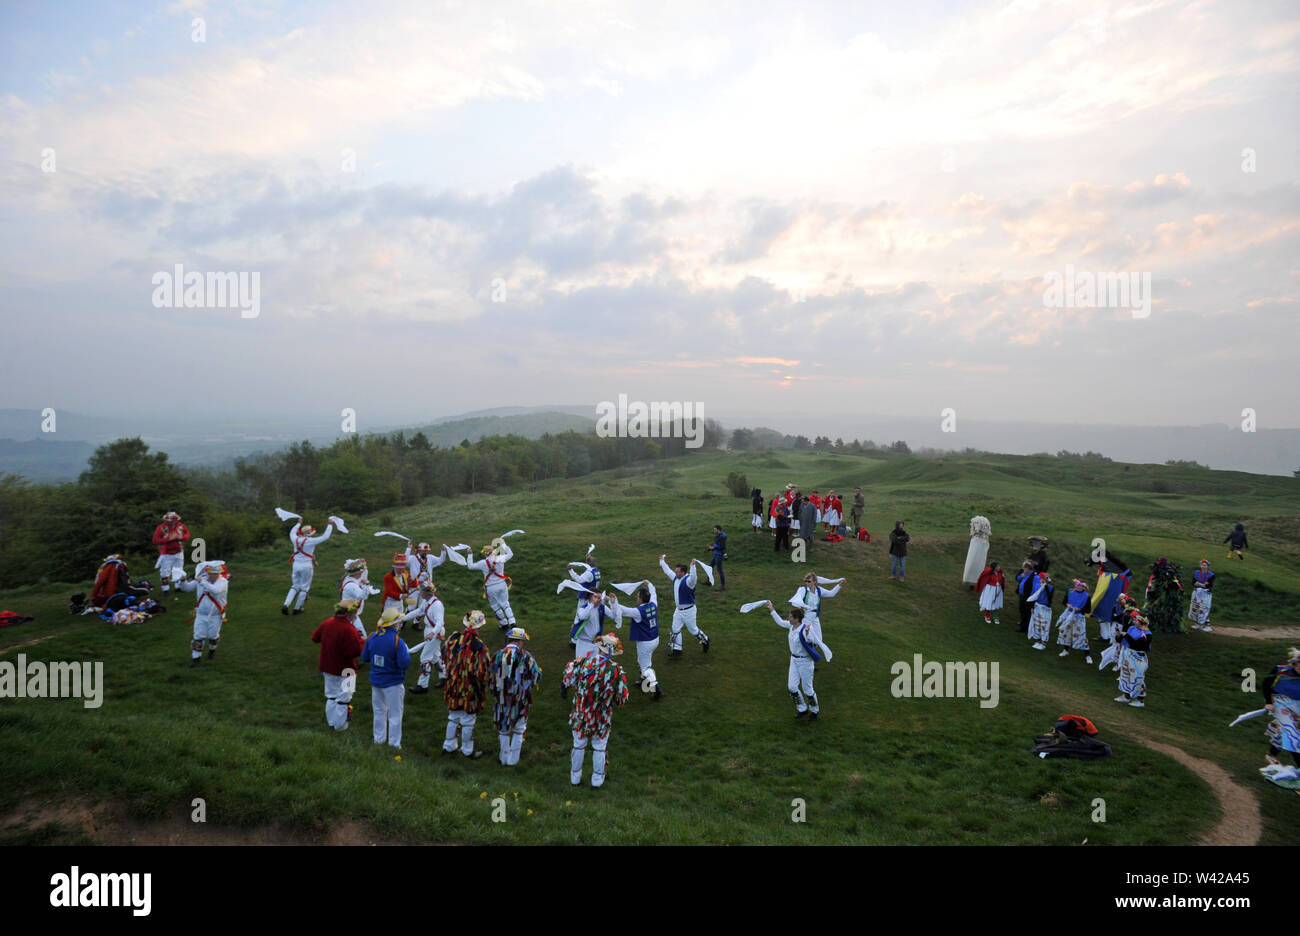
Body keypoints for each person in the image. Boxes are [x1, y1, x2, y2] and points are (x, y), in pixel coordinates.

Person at [562, 633, 629, 788]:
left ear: (599, 648)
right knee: (599, 746)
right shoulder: (616, 670)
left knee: (578, 744)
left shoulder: (582, 663)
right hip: (602, 715)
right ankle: (597, 781)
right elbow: (622, 698)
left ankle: (575, 778)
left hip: (581, 713)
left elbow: (568, 680)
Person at [764, 602, 832, 720]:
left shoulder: (805, 629)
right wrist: (772, 609)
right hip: (794, 660)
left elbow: (812, 641)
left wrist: (807, 633)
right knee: (792, 687)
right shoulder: (791, 626)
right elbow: (780, 622)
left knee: (807, 689)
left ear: (796, 619)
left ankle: (814, 711)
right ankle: (802, 709)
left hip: (805, 662)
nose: (788, 618)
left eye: (790, 617)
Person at [441, 610, 491, 759]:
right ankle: (467, 751)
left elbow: (444, 654)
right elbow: (483, 668)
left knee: (453, 715)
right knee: (468, 718)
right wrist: (483, 683)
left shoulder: (453, 638)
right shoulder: (479, 646)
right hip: (470, 686)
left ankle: (449, 746)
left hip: (453, 683)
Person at [491, 626, 542, 767]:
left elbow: (491, 676)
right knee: (519, 728)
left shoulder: (497, 655)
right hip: (520, 699)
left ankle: (503, 759)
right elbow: (537, 674)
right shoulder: (525, 656)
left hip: (501, 699)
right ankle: (513, 761)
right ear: (519, 641)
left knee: (503, 728)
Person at [361, 609, 411, 750]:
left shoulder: (372, 637)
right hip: (393, 683)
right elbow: (404, 663)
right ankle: (394, 744)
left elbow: (365, 657)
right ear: (395, 624)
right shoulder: (397, 641)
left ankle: (379, 739)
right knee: (395, 714)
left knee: (379, 711)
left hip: (376, 681)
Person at [311, 600, 365, 731]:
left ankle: (331, 723)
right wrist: (364, 642)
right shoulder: (349, 629)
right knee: (345, 697)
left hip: (327, 666)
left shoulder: (327, 623)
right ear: (350, 613)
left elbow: (315, 638)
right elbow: (355, 651)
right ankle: (340, 727)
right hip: (347, 670)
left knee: (331, 695)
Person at [605, 580, 662, 699]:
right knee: (644, 661)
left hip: (645, 642)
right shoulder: (653, 604)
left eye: (637, 596)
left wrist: (613, 602)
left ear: (641, 599)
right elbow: (654, 593)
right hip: (655, 639)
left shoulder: (638, 612)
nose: (636, 598)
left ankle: (656, 689)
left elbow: (624, 610)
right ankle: (643, 681)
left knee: (645, 666)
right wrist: (650, 584)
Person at [175, 560, 228, 667]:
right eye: (212, 573)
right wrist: (183, 581)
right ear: (207, 573)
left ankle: (212, 650)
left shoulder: (223, 582)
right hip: (201, 614)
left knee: (213, 635)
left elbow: (215, 591)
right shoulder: (202, 580)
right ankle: (196, 658)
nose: (214, 575)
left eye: (216, 573)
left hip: (216, 615)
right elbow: (187, 588)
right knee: (198, 635)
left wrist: (202, 582)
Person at [659, 554, 711, 656]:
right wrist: (662, 562)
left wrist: (693, 566)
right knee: (675, 628)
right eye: (676, 571)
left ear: (683, 572)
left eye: (677, 572)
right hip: (678, 610)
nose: (675, 573)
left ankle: (706, 640)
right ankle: (677, 650)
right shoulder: (676, 578)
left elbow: (694, 578)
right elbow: (667, 571)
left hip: (689, 611)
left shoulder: (689, 581)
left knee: (693, 630)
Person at [1260, 648, 1300, 781]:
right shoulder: (1280, 670)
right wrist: (1268, 702)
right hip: (1279, 702)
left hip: (1297, 705)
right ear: (1294, 663)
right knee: (1291, 732)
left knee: (1282, 728)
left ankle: (1272, 754)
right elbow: (1266, 684)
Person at [282, 518, 335, 616]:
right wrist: (330, 525)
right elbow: (325, 536)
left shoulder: (295, 539)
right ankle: (297, 609)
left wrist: (298, 523)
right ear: (310, 533)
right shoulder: (311, 541)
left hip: (296, 565)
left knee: (295, 586)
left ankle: (286, 604)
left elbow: (292, 532)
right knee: (304, 587)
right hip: (306, 565)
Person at [402, 580, 446, 694]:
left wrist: (432, 633)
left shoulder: (437, 605)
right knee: (436, 656)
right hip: (430, 631)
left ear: (426, 593)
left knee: (425, 658)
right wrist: (402, 618)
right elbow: (419, 611)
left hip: (434, 632)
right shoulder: (426, 601)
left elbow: (440, 621)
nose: (419, 592)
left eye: (421, 591)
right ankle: (445, 677)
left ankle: (422, 685)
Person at [467, 539, 517, 632]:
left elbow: (470, 566)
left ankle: (504, 624)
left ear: (485, 553)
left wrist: (470, 554)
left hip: (491, 588)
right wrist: (504, 544)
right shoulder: (500, 558)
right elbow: (511, 554)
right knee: (505, 604)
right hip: (502, 584)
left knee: (495, 606)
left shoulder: (482, 563)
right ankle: (512, 622)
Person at [1114, 610, 1152, 708]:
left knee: (1137, 677)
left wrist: (1125, 635)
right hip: (1127, 654)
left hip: (1138, 658)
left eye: (1136, 620)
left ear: (1141, 622)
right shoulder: (1131, 628)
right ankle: (1126, 696)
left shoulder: (1147, 634)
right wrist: (1118, 635)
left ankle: (1140, 700)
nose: (1134, 621)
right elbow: (1121, 640)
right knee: (1125, 674)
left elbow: (1137, 645)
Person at [151, 511, 189, 596]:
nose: (173, 522)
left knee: (178, 569)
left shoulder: (181, 526)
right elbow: (155, 540)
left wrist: (182, 537)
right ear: (167, 520)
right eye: (171, 521)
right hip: (166, 553)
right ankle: (165, 590)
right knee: (165, 572)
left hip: (179, 551)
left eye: (174, 520)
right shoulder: (161, 528)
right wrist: (168, 539)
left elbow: (187, 534)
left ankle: (178, 587)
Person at [1055, 578, 1093, 663]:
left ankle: (1087, 655)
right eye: (1077, 585)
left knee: (1081, 635)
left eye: (1080, 586)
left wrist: (1079, 609)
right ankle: (1066, 650)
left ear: (1084, 587)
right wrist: (1067, 604)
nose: (1078, 587)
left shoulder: (1086, 596)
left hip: (1079, 617)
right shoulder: (1070, 592)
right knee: (1066, 632)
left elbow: (1088, 610)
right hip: (1068, 615)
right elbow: (1064, 601)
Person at [1144, 557, 1185, 634]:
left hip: (1164, 595)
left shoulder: (1169, 574)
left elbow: (1175, 583)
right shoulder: (1161, 573)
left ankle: (1159, 622)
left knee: (1158, 606)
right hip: (1160, 594)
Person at [570, 588, 609, 660]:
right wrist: (591, 605)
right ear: (589, 597)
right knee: (581, 667)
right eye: (595, 597)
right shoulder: (582, 609)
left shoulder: (602, 608)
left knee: (594, 666)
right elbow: (583, 616)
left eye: (600, 598)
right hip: (583, 644)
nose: (598, 599)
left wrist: (612, 602)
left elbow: (614, 616)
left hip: (596, 643)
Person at [1026, 572, 1055, 650]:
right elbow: (1033, 595)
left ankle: (1043, 642)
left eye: (1044, 578)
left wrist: (1045, 586)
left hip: (1045, 608)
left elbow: (1049, 597)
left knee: (1044, 625)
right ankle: (1038, 641)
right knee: (1037, 624)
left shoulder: (1051, 587)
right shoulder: (1036, 585)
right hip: (1037, 607)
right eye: (1041, 578)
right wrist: (1032, 607)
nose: (1042, 580)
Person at [963, 517, 991, 590]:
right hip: (976, 546)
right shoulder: (975, 540)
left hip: (979, 547)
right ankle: (970, 580)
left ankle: (975, 581)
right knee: (971, 563)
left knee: (978, 564)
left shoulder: (983, 541)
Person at [1188, 559, 1216, 632]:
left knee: (1204, 608)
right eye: (1202, 565)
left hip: (1205, 594)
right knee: (1196, 607)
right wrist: (1202, 584)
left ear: (1207, 566)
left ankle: (1207, 625)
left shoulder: (1211, 575)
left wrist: (1199, 584)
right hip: (1197, 592)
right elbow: (1193, 582)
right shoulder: (1197, 573)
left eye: (1205, 565)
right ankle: (1198, 624)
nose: (1203, 566)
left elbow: (1208, 585)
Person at [709, 525, 728, 590]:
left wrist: (713, 547)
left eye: (715, 529)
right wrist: (711, 548)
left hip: (719, 555)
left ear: (718, 530)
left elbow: (722, 547)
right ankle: (708, 581)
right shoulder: (718, 536)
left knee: (720, 570)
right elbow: (717, 544)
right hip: (716, 554)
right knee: (710, 567)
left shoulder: (723, 537)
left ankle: (723, 586)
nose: (714, 531)